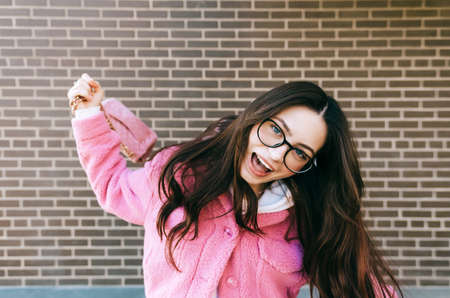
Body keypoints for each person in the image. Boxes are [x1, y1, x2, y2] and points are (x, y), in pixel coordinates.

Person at [68, 74, 404, 298]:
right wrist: (89, 117)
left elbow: (360, 285)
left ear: (307, 165)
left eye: (298, 152)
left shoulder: (305, 219)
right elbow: (113, 187)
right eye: (276, 130)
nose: (276, 155)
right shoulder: (177, 176)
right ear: (257, 115)